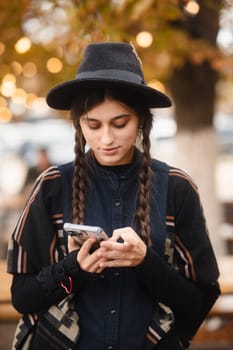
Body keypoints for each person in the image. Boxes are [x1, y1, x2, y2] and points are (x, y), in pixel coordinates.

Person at [7, 42, 220, 350]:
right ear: (79, 125)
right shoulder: (51, 187)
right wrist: (74, 269)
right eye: (92, 125)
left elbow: (199, 298)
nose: (106, 139)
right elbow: (23, 297)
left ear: (143, 122)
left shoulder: (176, 188)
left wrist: (146, 262)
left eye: (120, 123)